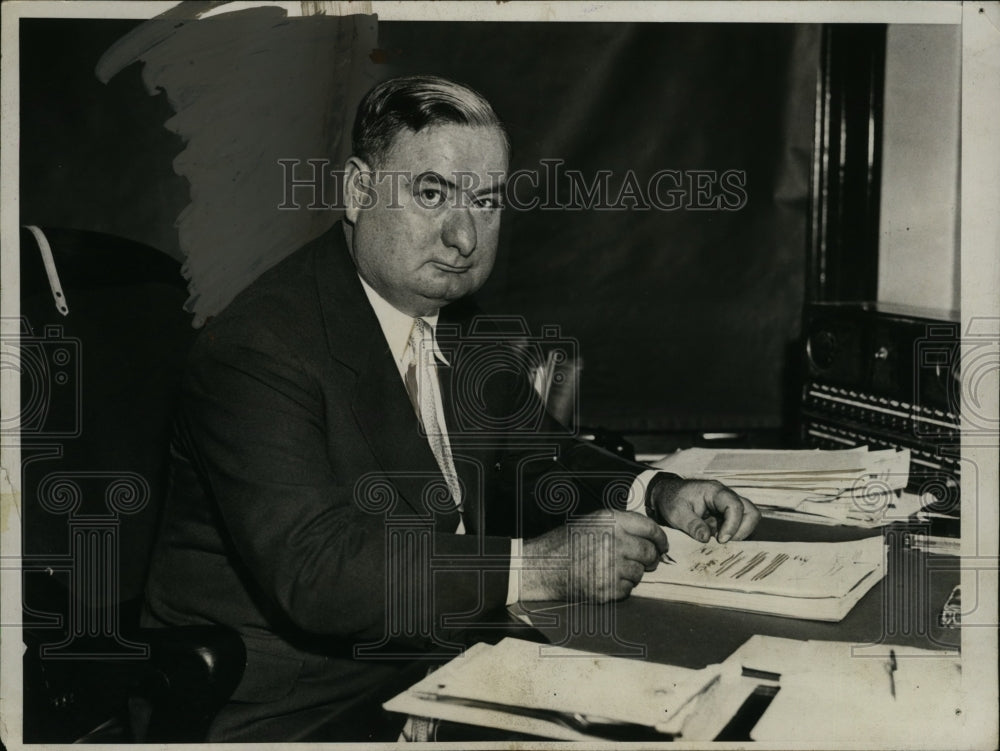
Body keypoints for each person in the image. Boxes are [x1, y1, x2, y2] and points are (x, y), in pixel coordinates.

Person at [142, 74, 761, 742]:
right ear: (357, 192)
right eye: (432, 193)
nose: (464, 237)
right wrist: (541, 568)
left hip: (447, 667)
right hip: (303, 712)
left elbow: (537, 455)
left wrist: (655, 491)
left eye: (487, 201)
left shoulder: (456, 321)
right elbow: (320, 573)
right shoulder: (259, 349)